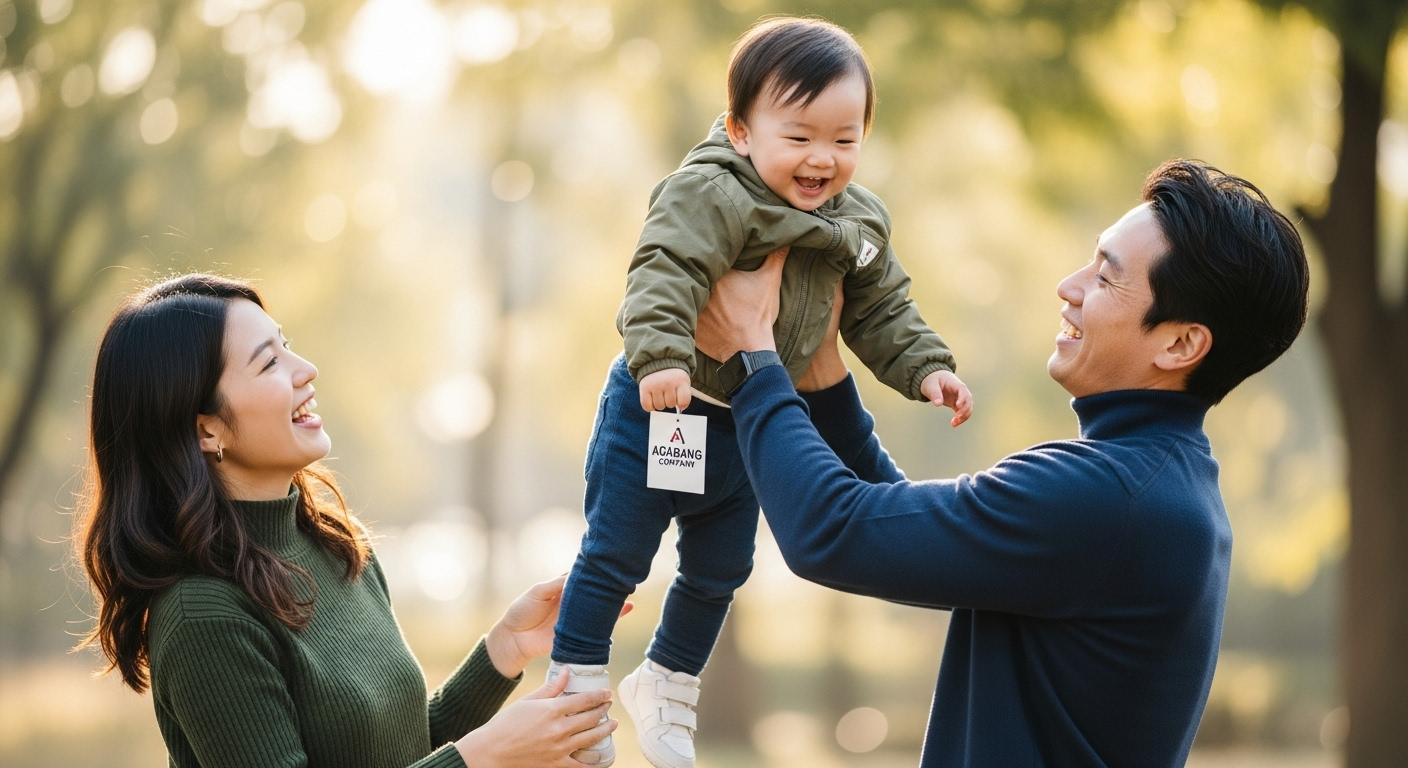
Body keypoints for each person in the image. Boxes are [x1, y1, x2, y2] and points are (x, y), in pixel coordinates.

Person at [694, 159, 1310, 767]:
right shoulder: (1161, 486)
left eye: (1106, 277)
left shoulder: (1107, 494)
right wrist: (820, 375)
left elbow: (831, 533)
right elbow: (897, 536)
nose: (1069, 286)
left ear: (1179, 344)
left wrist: (753, 355)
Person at [551, 16, 973, 768]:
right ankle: (576, 689)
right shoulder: (710, 194)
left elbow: (882, 309)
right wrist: (660, 359)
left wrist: (925, 367)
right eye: (800, 136)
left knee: (721, 569)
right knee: (617, 552)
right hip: (661, 409)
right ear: (742, 131)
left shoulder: (859, 222)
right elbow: (663, 271)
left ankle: (669, 683)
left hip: (745, 424)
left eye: (845, 141)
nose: (822, 159)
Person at [75, 274, 623, 768]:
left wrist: (506, 647)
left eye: (286, 346)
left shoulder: (336, 546)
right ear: (205, 431)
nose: (305, 370)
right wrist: (485, 757)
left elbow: (404, 750)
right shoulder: (204, 616)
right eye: (268, 362)